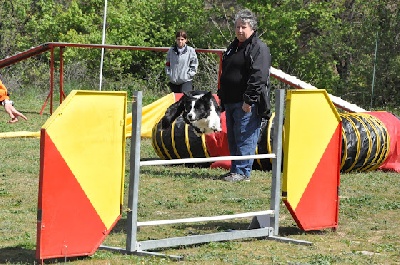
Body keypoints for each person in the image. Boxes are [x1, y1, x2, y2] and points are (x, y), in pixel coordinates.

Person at [217, 9, 272, 182]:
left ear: (252, 28)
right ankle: (235, 170)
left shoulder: (259, 48)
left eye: (244, 27)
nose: (240, 30)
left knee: (245, 137)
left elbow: (258, 76)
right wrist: (222, 97)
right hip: (230, 100)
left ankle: (242, 172)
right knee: (233, 138)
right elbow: (225, 71)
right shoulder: (233, 47)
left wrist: (249, 100)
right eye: (238, 27)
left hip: (246, 102)